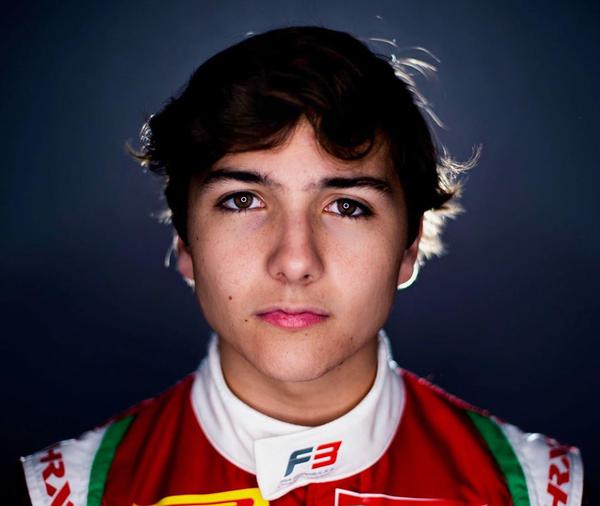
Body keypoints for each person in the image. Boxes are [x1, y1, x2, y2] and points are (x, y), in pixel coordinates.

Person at [19, 25, 585, 505]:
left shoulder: (539, 489)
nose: (294, 262)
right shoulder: (66, 491)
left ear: (408, 246)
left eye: (347, 206)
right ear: (185, 242)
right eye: (243, 200)